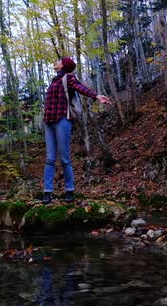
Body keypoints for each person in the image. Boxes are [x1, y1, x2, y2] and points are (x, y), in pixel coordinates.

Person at [42, 57, 112, 204]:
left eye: (59, 60)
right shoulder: (54, 80)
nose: (56, 61)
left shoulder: (69, 78)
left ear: (64, 65)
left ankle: (70, 190)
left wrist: (96, 96)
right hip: (48, 122)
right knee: (49, 159)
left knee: (64, 158)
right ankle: (47, 192)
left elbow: (81, 88)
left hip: (62, 120)